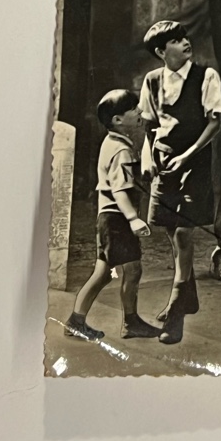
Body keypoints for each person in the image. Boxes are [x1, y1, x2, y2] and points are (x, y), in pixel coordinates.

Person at [139, 20, 221, 345]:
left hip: (194, 162)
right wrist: (148, 158)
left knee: (185, 231)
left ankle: (176, 308)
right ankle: (189, 294)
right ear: (162, 51)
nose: (185, 43)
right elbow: (148, 125)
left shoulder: (207, 76)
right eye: (176, 40)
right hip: (164, 163)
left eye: (185, 37)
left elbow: (214, 125)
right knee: (170, 229)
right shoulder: (152, 81)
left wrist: (186, 156)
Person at [64, 89, 161, 342]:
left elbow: (121, 179)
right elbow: (119, 191)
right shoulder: (122, 150)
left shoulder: (114, 143)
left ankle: (79, 321)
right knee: (131, 270)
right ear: (118, 119)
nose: (140, 111)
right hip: (117, 219)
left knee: (107, 273)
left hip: (108, 219)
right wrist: (133, 219)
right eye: (133, 109)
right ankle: (130, 322)